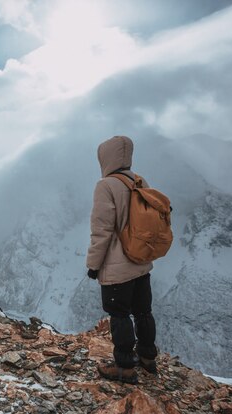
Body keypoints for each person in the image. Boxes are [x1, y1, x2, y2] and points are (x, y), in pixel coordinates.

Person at [86, 135, 158, 384]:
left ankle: (125, 368)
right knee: (143, 312)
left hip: (118, 266)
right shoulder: (139, 180)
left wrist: (93, 265)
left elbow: (102, 230)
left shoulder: (105, 186)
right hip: (141, 260)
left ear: (104, 158)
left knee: (119, 315)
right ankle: (149, 358)